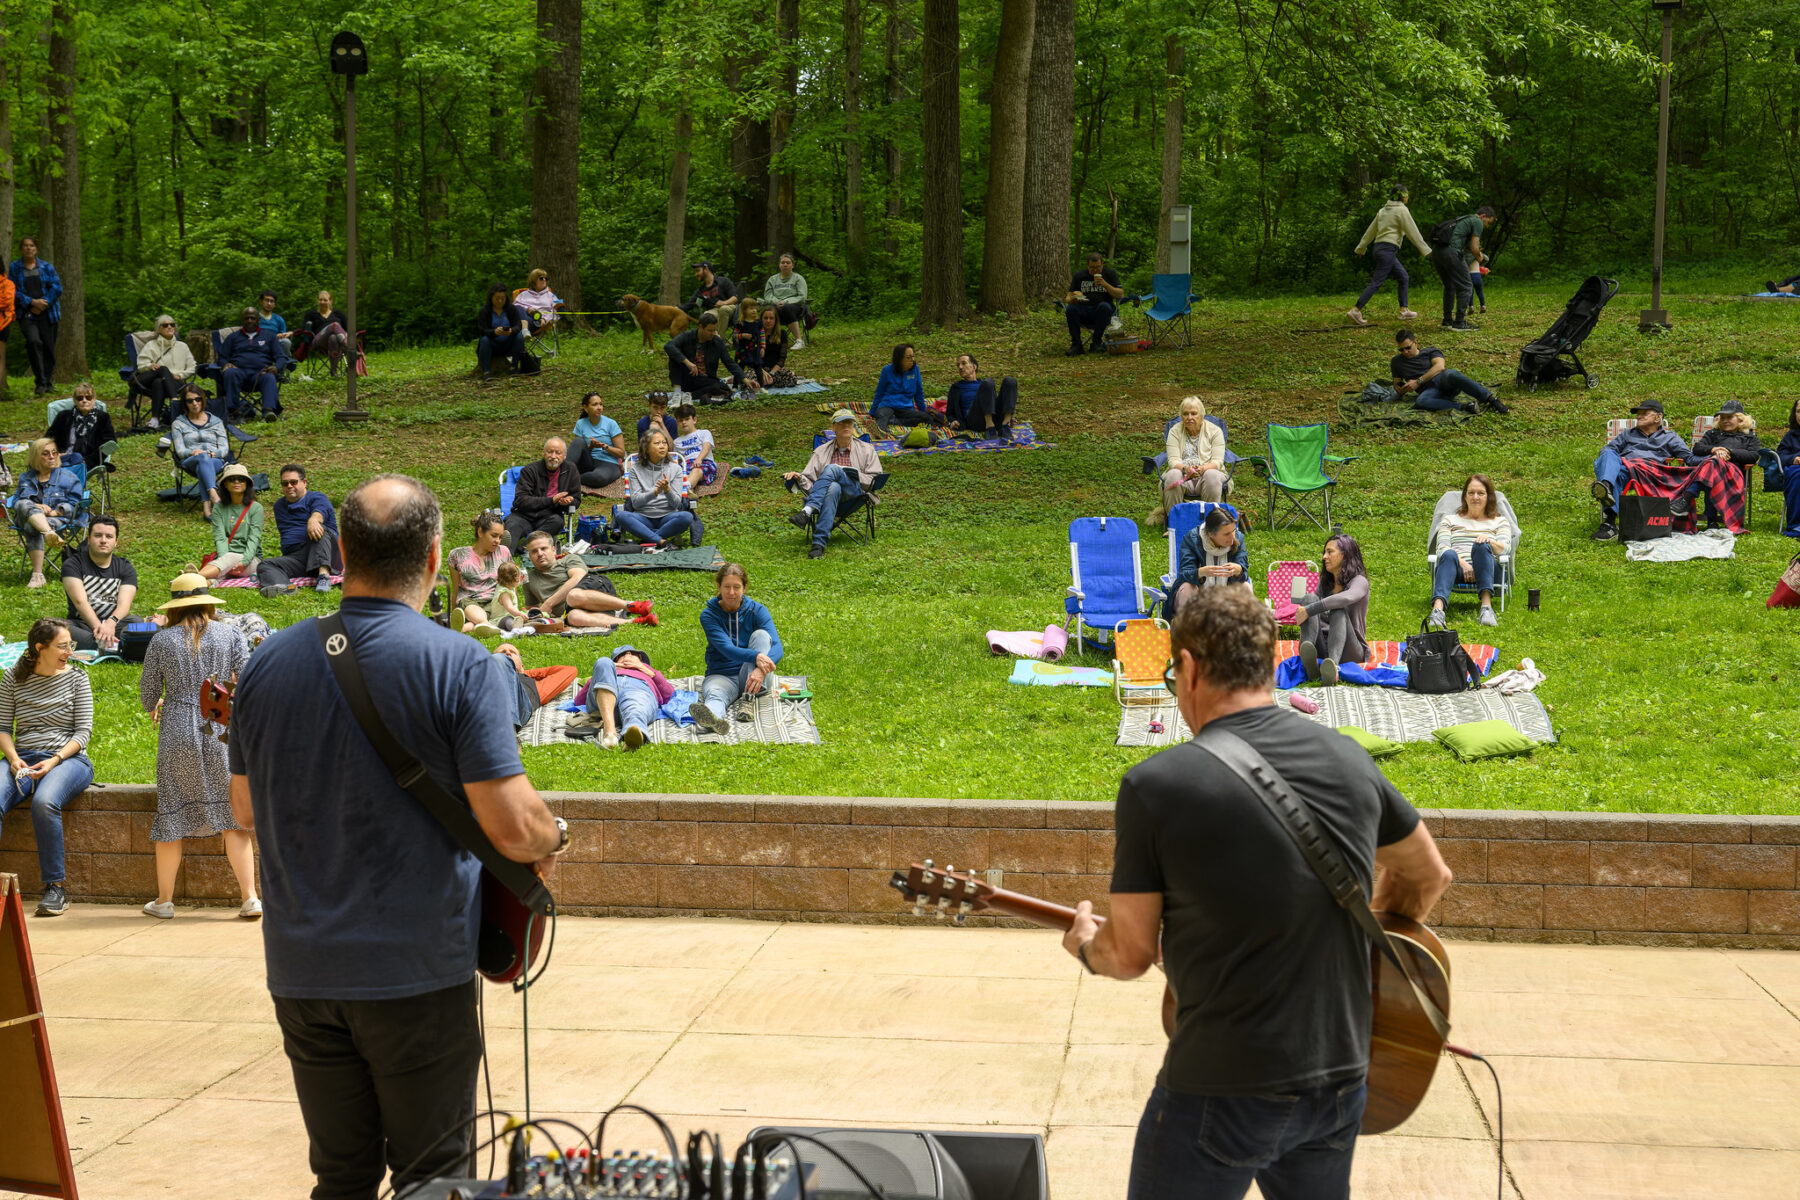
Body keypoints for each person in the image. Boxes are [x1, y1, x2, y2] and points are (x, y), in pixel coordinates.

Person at [226, 474, 567, 1200]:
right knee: (435, 1180)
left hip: (302, 972)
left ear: (342, 550)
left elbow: (246, 813)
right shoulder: (459, 664)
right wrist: (554, 834)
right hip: (414, 973)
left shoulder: (264, 665)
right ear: (437, 556)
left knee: (340, 1177)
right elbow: (515, 829)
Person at [1061, 587, 1452, 1200]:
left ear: (1188, 668)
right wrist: (1372, 944)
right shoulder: (1349, 760)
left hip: (1223, 1084)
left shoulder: (1156, 785)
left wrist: (1087, 944)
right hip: (1341, 1080)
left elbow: (1131, 953)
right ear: (1272, 663)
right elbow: (1429, 876)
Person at [138, 574, 259, 921]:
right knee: (233, 817)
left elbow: (148, 695)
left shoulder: (161, 641)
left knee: (171, 814)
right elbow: (247, 678)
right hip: (219, 723)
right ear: (208, 603)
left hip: (177, 728)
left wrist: (160, 700)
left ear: (175, 607)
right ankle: (249, 898)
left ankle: (164, 901)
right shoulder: (232, 633)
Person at [0, 619, 94, 917]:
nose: (69, 651)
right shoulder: (12, 678)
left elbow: (83, 733)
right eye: (62, 646)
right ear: (41, 648)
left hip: (68, 759)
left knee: (44, 802)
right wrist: (14, 759)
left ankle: (56, 888)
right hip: (22, 756)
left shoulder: (77, 679)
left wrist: (54, 760)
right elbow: (3, 728)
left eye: (71, 645)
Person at [690, 562, 784, 737]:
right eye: (726, 587)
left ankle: (748, 699)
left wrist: (759, 670)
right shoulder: (709, 615)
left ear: (745, 587)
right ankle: (713, 719)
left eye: (736, 587)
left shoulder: (757, 611)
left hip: (756, 677)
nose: (731, 593)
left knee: (762, 636)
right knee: (715, 696)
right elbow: (727, 649)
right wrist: (757, 656)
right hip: (721, 674)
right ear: (718, 586)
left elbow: (778, 647)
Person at [783, 409, 884, 560]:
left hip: (855, 493)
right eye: (841, 423)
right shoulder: (821, 451)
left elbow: (875, 479)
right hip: (830, 495)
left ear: (854, 427)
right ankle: (818, 545)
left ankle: (808, 510)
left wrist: (851, 473)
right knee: (833, 487)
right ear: (833, 428)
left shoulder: (867, 450)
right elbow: (810, 480)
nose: (846, 426)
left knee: (832, 468)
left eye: (849, 423)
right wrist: (799, 477)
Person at [1588, 399, 1692, 542]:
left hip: (1651, 473)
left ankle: (1609, 520)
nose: (1639, 416)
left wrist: (1712, 453)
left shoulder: (1670, 437)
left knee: (1613, 474)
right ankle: (1607, 486)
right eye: (1638, 414)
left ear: (1658, 417)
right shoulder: (1627, 434)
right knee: (1609, 456)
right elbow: (1607, 450)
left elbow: (1688, 457)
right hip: (1627, 469)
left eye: (1645, 413)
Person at [1276, 534, 1370, 687]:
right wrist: (1306, 607)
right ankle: (1309, 659)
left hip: (1351, 650)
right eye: (1324, 552)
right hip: (1323, 645)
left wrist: (1310, 610)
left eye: (1330, 552)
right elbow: (1312, 609)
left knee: (1337, 610)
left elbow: (1346, 598)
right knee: (1309, 598)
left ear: (1345, 555)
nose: (1324, 557)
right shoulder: (1325, 583)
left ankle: (1332, 667)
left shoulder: (1359, 581)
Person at [518, 530, 655, 629]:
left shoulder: (568, 559)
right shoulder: (529, 578)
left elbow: (578, 577)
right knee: (573, 618)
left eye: (543, 548)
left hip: (594, 591)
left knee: (573, 595)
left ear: (554, 550)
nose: (539, 554)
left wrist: (549, 603)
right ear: (529, 555)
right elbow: (533, 609)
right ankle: (637, 621)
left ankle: (632, 605)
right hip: (573, 611)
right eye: (534, 551)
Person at [1428, 474, 1509, 630]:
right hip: (1457, 569)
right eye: (1471, 493)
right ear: (1465, 496)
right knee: (1449, 554)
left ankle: (1486, 609)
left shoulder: (1500, 521)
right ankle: (1437, 611)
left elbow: (1505, 548)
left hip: (1489, 569)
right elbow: (1442, 548)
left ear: (1489, 497)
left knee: (1481, 545)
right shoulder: (1450, 520)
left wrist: (1489, 541)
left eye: (1480, 493)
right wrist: (1463, 564)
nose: (1475, 497)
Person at [1668, 400, 1761, 531]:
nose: (1725, 421)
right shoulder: (1712, 434)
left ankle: (1688, 500)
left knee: (1712, 464)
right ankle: (1711, 522)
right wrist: (1715, 450)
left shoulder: (1749, 438)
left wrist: (1729, 452)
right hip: (1712, 472)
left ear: (1741, 419)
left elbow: (1754, 455)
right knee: (1713, 466)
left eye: (1729, 417)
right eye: (1722, 418)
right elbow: (1697, 448)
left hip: (1734, 474)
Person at [1347, 184, 1431, 326]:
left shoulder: (1383, 211)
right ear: (1403, 196)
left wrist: (1361, 248)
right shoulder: (1402, 210)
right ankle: (1356, 310)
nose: (1408, 197)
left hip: (1380, 248)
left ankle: (1404, 310)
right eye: (1407, 194)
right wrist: (1426, 250)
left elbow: (1371, 231)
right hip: (1388, 250)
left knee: (1403, 276)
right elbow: (1413, 232)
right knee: (1377, 282)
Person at [11, 437, 83, 589]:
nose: (51, 456)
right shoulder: (26, 477)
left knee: (32, 527)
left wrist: (56, 512)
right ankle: (49, 533)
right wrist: (36, 505)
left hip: (59, 520)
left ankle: (37, 575)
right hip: (30, 518)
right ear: (36, 456)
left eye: (54, 453)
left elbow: (77, 505)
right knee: (23, 503)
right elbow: (16, 502)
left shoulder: (68, 478)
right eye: (45, 453)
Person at [258, 464, 338, 596]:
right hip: (299, 557)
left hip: (327, 554)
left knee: (318, 529)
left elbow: (320, 512)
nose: (289, 486)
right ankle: (282, 587)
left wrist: (313, 520)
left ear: (304, 482)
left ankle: (324, 576)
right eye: (285, 483)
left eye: (293, 482)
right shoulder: (279, 506)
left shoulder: (317, 497)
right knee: (266, 564)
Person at [61, 516, 138, 651]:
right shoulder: (72, 564)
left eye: (109, 536)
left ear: (116, 542)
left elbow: (124, 605)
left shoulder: (125, 567)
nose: (103, 540)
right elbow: (80, 602)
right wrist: (100, 629)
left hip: (115, 624)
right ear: (89, 539)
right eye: (98, 535)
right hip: (82, 624)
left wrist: (109, 625)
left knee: (137, 622)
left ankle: (92, 645)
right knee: (52, 627)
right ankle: (117, 645)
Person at [1389, 329, 1508, 415]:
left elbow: (1440, 367)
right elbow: (1397, 383)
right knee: (1421, 401)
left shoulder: (1430, 351)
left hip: (1443, 381)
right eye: (1401, 349)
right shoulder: (1396, 362)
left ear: (1415, 343)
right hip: (1429, 392)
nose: (1405, 352)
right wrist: (1401, 389)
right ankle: (1465, 407)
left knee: (1451, 373)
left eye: (1408, 347)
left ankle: (1491, 400)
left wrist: (1418, 382)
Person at [618, 426, 701, 547]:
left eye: (664, 443)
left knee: (686, 517)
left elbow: (677, 504)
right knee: (621, 516)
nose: (662, 446)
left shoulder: (675, 469)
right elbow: (635, 503)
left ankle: (649, 539)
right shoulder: (635, 469)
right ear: (646, 448)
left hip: (668, 517)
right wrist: (655, 492)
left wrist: (667, 491)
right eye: (657, 443)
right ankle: (661, 541)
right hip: (643, 517)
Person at [579, 644, 674, 750]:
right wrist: (603, 672)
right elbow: (579, 700)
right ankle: (610, 733)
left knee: (635, 707)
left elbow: (669, 694)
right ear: (616, 660)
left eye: (633, 654)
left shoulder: (648, 670)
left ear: (640, 659)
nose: (628, 654)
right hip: (603, 704)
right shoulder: (610, 668)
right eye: (622, 654)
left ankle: (632, 738)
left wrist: (645, 669)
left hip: (637, 691)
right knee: (603, 662)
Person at [1156, 397, 1230, 525]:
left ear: (1201, 415)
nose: (1189, 417)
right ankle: (1175, 525)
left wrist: (1203, 469)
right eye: (1185, 414)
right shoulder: (1174, 431)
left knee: (1212, 474)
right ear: (1181, 416)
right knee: (1173, 474)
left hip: (1207, 475)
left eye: (1194, 413)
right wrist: (1186, 469)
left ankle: (1209, 524)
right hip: (1183, 476)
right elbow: (1173, 461)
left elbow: (1218, 462)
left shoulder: (1215, 431)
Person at [503, 436, 582, 552]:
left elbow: (576, 500)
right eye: (550, 452)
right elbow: (520, 501)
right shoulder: (530, 470)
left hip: (549, 516)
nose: (553, 456)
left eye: (558, 453)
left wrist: (568, 502)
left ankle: (524, 549)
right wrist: (551, 500)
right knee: (512, 525)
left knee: (557, 522)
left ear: (564, 456)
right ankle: (503, 555)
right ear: (543, 453)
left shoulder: (571, 470)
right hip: (523, 515)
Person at [1168, 507, 1249, 618]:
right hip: (1199, 595)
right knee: (1187, 588)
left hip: (1227, 593)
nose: (1233, 537)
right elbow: (1184, 574)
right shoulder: (1192, 539)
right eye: (1226, 534)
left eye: (1234, 531)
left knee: (1246, 587)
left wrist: (1239, 570)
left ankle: (1244, 631)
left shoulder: (1239, 538)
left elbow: (1244, 574)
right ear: (1211, 534)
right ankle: (1190, 631)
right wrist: (1201, 572)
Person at [218, 306, 291, 422]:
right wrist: (225, 364)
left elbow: (281, 357)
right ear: (242, 321)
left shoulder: (269, 336)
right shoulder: (233, 338)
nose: (249, 321)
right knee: (230, 373)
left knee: (269, 377)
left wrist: (277, 367)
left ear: (258, 320)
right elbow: (222, 357)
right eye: (246, 318)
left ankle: (268, 412)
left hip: (260, 373)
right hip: (238, 373)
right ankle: (234, 412)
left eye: (252, 318)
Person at [9, 236, 61, 396]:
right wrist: (32, 302)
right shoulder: (15, 268)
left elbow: (57, 287)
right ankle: (40, 382)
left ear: (36, 249)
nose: (28, 248)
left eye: (31, 245)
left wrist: (43, 303)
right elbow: (12, 290)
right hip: (27, 314)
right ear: (20, 249)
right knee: (33, 342)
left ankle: (48, 383)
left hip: (48, 313)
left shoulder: (46, 267)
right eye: (25, 246)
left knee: (48, 348)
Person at [171, 390, 232, 519]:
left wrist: (211, 454)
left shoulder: (216, 422)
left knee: (203, 464)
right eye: (190, 400)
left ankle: (206, 509)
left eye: (198, 399)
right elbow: (180, 451)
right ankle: (214, 495)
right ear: (185, 403)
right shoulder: (178, 424)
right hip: (190, 460)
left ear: (203, 400)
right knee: (202, 458)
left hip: (215, 460)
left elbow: (224, 448)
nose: (195, 403)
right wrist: (192, 452)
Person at [446, 513, 514, 629]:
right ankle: (488, 625)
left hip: (494, 603)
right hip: (469, 603)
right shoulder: (457, 555)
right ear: (480, 532)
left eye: (500, 537)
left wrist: (514, 608)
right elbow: (456, 589)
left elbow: (511, 584)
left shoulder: (504, 552)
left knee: (476, 621)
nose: (498, 541)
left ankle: (471, 627)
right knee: (471, 609)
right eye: (494, 535)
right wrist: (452, 613)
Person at [1432, 206, 1494, 331]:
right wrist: (1481, 258)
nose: (1487, 226)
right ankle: (1459, 322)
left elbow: (1466, 244)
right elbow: (1474, 248)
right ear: (1483, 217)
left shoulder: (1463, 219)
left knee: (1450, 286)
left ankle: (1447, 320)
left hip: (1437, 252)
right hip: (1451, 253)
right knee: (1466, 286)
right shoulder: (1477, 222)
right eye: (1488, 222)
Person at [664, 312, 749, 401]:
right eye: (710, 330)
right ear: (700, 327)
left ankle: (689, 395)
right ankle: (677, 392)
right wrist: (687, 362)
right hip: (687, 376)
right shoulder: (687, 336)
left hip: (705, 379)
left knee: (722, 387)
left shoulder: (717, 342)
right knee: (674, 356)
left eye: (714, 330)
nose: (713, 333)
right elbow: (669, 346)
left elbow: (729, 362)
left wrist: (745, 379)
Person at [492, 641, 579, 728]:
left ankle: (508, 730)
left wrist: (523, 673)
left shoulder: (535, 686)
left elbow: (568, 671)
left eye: (512, 652)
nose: (507, 653)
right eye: (503, 652)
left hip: (518, 709)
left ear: (522, 666)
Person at [202, 464, 264, 582]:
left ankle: (191, 577)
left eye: (241, 479)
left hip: (251, 560)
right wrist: (225, 559)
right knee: (221, 570)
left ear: (247, 484)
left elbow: (254, 539)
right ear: (225, 484)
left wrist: (243, 562)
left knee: (228, 560)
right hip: (226, 558)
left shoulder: (256, 508)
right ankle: (203, 583)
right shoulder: (218, 508)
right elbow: (220, 538)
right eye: (231, 479)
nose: (236, 482)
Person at [133, 315, 198, 421]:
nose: (169, 327)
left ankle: (154, 419)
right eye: (165, 325)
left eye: (172, 324)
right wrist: (150, 365)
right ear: (159, 329)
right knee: (162, 369)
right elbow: (141, 365)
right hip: (149, 380)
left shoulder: (183, 346)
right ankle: (175, 400)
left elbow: (192, 366)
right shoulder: (151, 345)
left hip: (175, 382)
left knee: (159, 382)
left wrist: (180, 375)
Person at [944, 353, 1017, 440]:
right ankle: (989, 427)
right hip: (975, 420)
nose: (960, 367)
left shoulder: (985, 385)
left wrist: (1008, 416)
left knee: (1010, 381)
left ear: (974, 367)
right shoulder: (956, 387)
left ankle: (1005, 425)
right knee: (988, 383)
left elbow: (994, 403)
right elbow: (950, 412)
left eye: (964, 363)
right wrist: (953, 421)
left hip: (995, 417)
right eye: (958, 365)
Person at [47, 382, 118, 471]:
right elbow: (48, 438)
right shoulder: (63, 416)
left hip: (87, 462)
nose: (84, 400)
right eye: (80, 398)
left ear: (94, 399)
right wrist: (55, 453)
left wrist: (88, 461)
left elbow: (110, 443)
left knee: (75, 459)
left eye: (88, 397)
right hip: (61, 458)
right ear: (75, 401)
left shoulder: (103, 418)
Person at [1064, 250, 1124, 356]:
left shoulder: (1109, 274)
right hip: (1083, 310)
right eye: (1092, 268)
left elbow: (1120, 294)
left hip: (1102, 313)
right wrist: (1073, 298)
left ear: (1102, 265)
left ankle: (1096, 343)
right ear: (1088, 266)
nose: (1095, 270)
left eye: (1098, 267)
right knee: (1070, 308)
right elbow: (1067, 298)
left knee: (1104, 306)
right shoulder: (1079, 275)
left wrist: (1105, 284)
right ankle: (1077, 345)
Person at [871, 343, 942, 427]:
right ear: (899, 359)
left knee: (927, 419)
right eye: (908, 357)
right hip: (888, 405)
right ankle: (880, 432)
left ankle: (895, 422)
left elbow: (919, 393)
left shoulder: (915, 369)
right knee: (882, 415)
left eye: (913, 356)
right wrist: (872, 412)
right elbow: (880, 392)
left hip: (906, 408)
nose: (912, 360)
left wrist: (923, 412)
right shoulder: (887, 370)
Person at [570, 392, 626, 489]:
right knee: (578, 441)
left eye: (600, 404)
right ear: (585, 407)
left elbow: (621, 453)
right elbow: (578, 449)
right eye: (595, 404)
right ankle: (562, 472)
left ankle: (569, 479)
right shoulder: (581, 423)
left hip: (608, 463)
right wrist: (591, 447)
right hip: (588, 462)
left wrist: (605, 447)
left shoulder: (611, 424)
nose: (599, 407)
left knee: (598, 478)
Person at [477, 284, 532, 381]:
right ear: (491, 298)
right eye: (497, 298)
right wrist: (494, 332)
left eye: (502, 298)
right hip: (492, 345)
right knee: (484, 340)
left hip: (509, 344)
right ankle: (486, 372)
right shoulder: (485, 311)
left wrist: (511, 331)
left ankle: (514, 367)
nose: (500, 301)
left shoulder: (511, 309)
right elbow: (482, 330)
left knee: (519, 336)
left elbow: (518, 325)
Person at [762, 253, 811, 349]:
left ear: (792, 265)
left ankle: (799, 340)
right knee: (766, 311)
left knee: (786, 308)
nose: (785, 265)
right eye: (782, 262)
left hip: (795, 308)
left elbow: (802, 297)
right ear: (779, 265)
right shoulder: (772, 279)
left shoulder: (798, 279)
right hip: (776, 306)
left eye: (788, 263)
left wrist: (785, 302)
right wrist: (776, 302)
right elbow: (767, 295)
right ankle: (765, 341)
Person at [298, 291, 352, 377]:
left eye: (325, 300)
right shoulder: (311, 314)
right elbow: (302, 328)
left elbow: (347, 330)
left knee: (333, 338)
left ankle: (333, 372)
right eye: (320, 300)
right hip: (318, 341)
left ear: (330, 301)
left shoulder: (338, 314)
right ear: (317, 300)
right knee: (334, 325)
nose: (322, 302)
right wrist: (291, 332)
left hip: (336, 344)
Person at [471, 560, 529, 635]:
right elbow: (509, 608)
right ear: (513, 580)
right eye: (519, 577)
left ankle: (519, 627)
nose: (520, 579)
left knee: (517, 619)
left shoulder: (506, 586)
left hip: (512, 617)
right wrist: (519, 614)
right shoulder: (505, 593)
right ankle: (517, 631)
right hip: (500, 620)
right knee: (508, 621)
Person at [673, 402, 717, 493]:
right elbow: (677, 459)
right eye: (680, 420)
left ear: (694, 420)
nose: (684, 422)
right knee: (681, 475)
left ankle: (683, 489)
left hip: (704, 462)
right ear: (677, 423)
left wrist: (699, 459)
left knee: (696, 470)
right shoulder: (677, 442)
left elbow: (706, 447)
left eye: (687, 419)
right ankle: (688, 492)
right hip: (686, 465)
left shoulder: (704, 433)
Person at [514, 268, 564, 337]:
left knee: (516, 328)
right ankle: (524, 330)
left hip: (537, 322)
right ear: (533, 280)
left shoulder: (551, 295)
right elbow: (514, 307)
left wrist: (545, 319)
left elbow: (556, 312)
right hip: (522, 319)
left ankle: (523, 331)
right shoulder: (523, 294)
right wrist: (528, 309)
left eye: (545, 279)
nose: (544, 280)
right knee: (517, 307)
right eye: (541, 278)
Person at [688, 260, 739, 325]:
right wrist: (677, 309)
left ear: (706, 269)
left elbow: (735, 298)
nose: (696, 274)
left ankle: (720, 335)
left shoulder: (723, 281)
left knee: (723, 309)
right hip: (713, 312)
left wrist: (724, 303)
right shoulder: (701, 290)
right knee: (706, 316)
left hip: (729, 308)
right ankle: (713, 335)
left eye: (698, 271)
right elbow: (689, 304)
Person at [732, 297, 769, 383]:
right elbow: (735, 335)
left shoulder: (758, 322)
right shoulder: (740, 323)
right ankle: (735, 385)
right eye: (751, 308)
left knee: (758, 368)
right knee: (740, 367)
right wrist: (742, 335)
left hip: (755, 350)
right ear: (744, 310)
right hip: (743, 350)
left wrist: (763, 347)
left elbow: (762, 334)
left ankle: (761, 386)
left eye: (755, 308)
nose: (754, 310)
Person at [1779, 397, 1800, 539]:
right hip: (1798, 470)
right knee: (1797, 474)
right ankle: (1796, 525)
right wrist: (1793, 459)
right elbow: (1780, 456)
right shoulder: (1791, 436)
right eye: (1799, 411)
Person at [758, 305, 791, 377]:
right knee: (752, 380)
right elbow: (752, 358)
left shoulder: (782, 334)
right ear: (761, 319)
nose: (768, 321)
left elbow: (782, 359)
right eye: (765, 318)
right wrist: (762, 373)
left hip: (775, 369)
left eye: (771, 318)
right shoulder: (756, 334)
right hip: (758, 369)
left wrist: (771, 373)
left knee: (790, 378)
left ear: (775, 320)